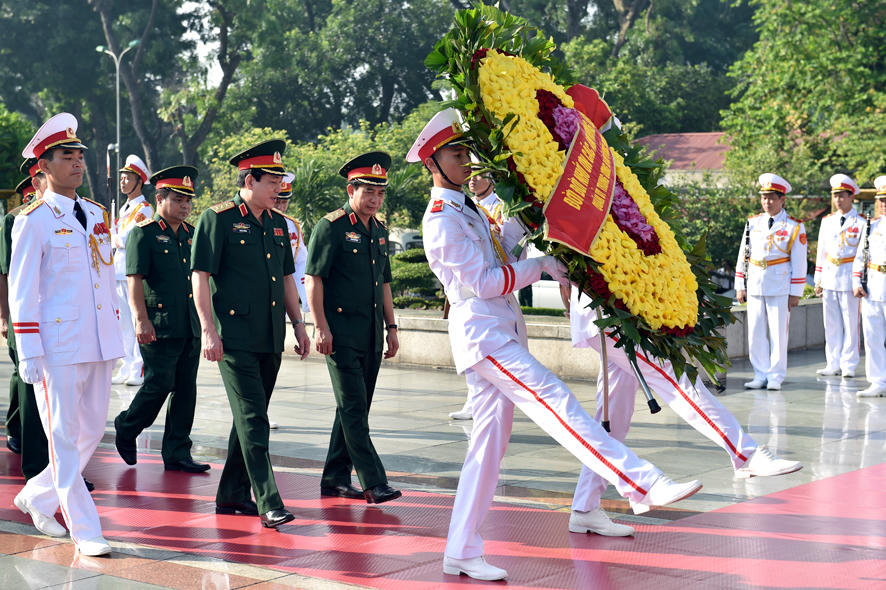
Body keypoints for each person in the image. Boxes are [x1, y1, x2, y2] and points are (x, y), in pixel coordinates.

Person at [410, 108, 703, 581]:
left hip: (499, 332)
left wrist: (533, 211)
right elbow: (485, 281)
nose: (467, 161)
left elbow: (501, 246)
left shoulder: (468, 209)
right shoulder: (442, 219)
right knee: (559, 403)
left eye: (466, 151)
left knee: (486, 453)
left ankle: (461, 549)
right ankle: (639, 484)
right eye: (456, 154)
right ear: (432, 164)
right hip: (485, 337)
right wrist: (540, 266)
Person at [564, 286, 802, 536]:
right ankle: (745, 453)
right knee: (673, 374)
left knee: (613, 418)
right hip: (608, 313)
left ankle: (585, 507)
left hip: (621, 309)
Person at [9, 113, 123, 556]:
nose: (77, 163)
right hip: (57, 345)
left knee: (90, 431)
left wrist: (120, 336)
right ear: (44, 167)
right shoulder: (33, 220)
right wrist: (29, 349)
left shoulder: (96, 213)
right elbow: (22, 290)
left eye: (79, 156)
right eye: (66, 156)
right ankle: (86, 529)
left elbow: (104, 278)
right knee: (63, 439)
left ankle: (36, 496)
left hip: (98, 340)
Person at [191, 139, 310, 529]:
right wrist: (209, 330)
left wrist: (298, 324)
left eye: (280, 179)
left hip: (270, 336)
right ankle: (268, 500)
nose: (279, 187)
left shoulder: (279, 224)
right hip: (234, 338)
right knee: (255, 419)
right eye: (272, 180)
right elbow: (201, 276)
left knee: (248, 418)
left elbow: (288, 278)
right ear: (249, 180)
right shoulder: (219, 218)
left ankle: (230, 494)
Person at [305, 151, 401, 504]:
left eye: (380, 194)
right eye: (368, 192)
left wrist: (391, 327)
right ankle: (374, 482)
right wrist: (320, 327)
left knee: (353, 408)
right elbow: (313, 278)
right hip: (340, 334)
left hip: (371, 334)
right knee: (354, 409)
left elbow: (385, 283)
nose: (375, 200)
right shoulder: (331, 227)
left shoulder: (379, 230)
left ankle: (334, 477)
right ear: (351, 190)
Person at [113, 166, 209, 473]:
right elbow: (134, 280)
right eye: (178, 199)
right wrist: (141, 320)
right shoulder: (144, 234)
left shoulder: (194, 236)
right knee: (159, 384)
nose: (185, 206)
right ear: (160, 198)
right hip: (159, 325)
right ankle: (127, 426)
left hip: (189, 324)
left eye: (188, 200)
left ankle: (178, 451)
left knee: (185, 389)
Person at [735, 173, 807, 390]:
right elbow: (743, 254)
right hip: (756, 282)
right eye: (764, 198)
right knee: (755, 332)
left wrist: (796, 292)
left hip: (780, 285)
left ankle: (775, 375)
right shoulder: (753, 222)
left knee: (778, 333)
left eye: (771, 198)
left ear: (782, 199)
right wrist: (740, 284)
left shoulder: (794, 226)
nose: (767, 202)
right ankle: (760, 374)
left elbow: (800, 262)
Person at [2, 166, 45, 469]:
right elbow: (5, 274)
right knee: (25, 377)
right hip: (24, 317)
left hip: (57, 323)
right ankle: (21, 435)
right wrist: (4, 316)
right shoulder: (16, 220)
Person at [448, 171, 501, 421]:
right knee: (469, 352)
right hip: (466, 287)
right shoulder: (462, 205)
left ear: (491, 180)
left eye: (480, 176)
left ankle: (484, 403)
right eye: (470, 175)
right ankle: (473, 402)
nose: (472, 180)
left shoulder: (500, 208)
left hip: (489, 285)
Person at [266, 172, 308, 431]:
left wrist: (305, 307)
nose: (281, 205)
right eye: (278, 199)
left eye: (285, 201)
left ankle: (262, 409)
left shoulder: (292, 226)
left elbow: (300, 268)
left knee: (271, 358)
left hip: (283, 301)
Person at [814, 174, 864, 378]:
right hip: (829, 276)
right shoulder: (827, 221)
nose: (838, 200)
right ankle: (832, 362)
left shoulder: (861, 222)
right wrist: (818, 279)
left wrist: (859, 279)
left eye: (842, 196)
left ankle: (849, 364)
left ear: (851, 197)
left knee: (851, 324)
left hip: (849, 277)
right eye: (835, 196)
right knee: (831, 323)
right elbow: (821, 252)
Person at [111, 154, 153, 386]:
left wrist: (109, 236)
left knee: (137, 321)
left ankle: (139, 367)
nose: (123, 182)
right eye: (122, 178)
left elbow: (128, 239)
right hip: (118, 270)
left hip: (133, 272)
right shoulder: (125, 208)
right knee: (123, 324)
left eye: (128, 178)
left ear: (140, 181)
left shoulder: (144, 209)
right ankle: (127, 365)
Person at [853, 177, 886, 397]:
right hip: (874, 285)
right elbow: (860, 257)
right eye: (881, 200)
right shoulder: (871, 225)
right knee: (873, 337)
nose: (884, 203)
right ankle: (878, 381)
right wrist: (856, 281)